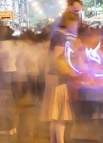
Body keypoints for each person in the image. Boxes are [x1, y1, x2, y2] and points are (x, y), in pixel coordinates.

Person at [40, 11, 79, 143]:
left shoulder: (57, 35)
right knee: (60, 117)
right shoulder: (61, 37)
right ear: (70, 22)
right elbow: (57, 59)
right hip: (58, 80)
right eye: (76, 23)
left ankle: (53, 141)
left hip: (53, 77)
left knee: (55, 117)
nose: (77, 27)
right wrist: (70, 72)